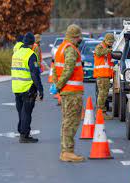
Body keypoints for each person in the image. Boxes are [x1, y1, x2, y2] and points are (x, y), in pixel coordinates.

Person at [53, 24, 85, 162]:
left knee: (66, 121)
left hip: (66, 91)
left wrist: (57, 86)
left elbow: (55, 69)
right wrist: (60, 85)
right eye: (79, 38)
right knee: (71, 121)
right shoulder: (71, 50)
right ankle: (68, 152)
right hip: (72, 92)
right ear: (76, 37)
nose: (80, 40)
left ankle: (65, 150)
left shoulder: (61, 48)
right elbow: (68, 70)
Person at [11, 32, 44, 143]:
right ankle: (24, 135)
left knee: (21, 112)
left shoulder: (16, 54)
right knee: (27, 112)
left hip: (16, 87)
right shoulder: (31, 54)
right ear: (32, 43)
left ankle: (21, 131)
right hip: (27, 87)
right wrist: (40, 89)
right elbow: (35, 74)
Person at [93, 33, 115, 120]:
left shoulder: (107, 47)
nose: (111, 43)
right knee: (102, 94)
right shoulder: (100, 47)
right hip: (102, 75)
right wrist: (109, 50)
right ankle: (101, 112)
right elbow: (98, 53)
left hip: (106, 75)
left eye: (112, 42)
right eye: (109, 42)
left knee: (104, 94)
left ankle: (101, 112)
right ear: (105, 40)